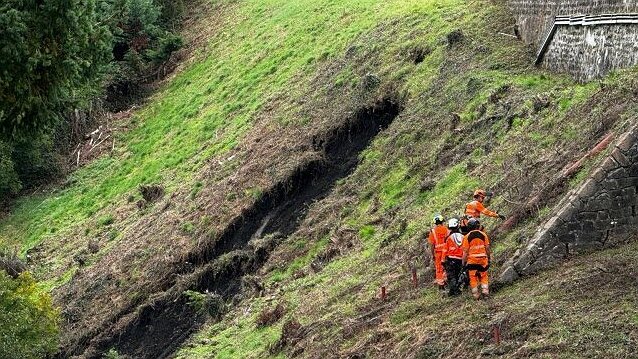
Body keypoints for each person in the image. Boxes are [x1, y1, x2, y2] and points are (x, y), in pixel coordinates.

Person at [462, 218, 491, 300]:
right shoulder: (483, 235)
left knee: (473, 278)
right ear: (477, 226)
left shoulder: (466, 237)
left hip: (472, 261)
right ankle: (485, 293)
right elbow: (487, 248)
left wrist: (463, 263)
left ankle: (476, 296)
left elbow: (465, 252)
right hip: (482, 260)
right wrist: (489, 258)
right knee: (484, 276)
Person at [441, 217, 464, 296]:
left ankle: (456, 291)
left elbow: (444, 250)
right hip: (461, 260)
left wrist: (443, 261)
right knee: (458, 275)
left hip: (451, 260)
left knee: (452, 276)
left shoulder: (448, 238)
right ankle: (453, 291)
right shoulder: (463, 237)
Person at [428, 214, 449, 291]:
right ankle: (447, 281)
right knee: (447, 267)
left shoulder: (433, 232)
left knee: (439, 269)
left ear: (435, 223)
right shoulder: (446, 229)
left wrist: (432, 254)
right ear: (442, 221)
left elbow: (432, 244)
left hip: (438, 253)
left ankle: (441, 285)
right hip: (447, 252)